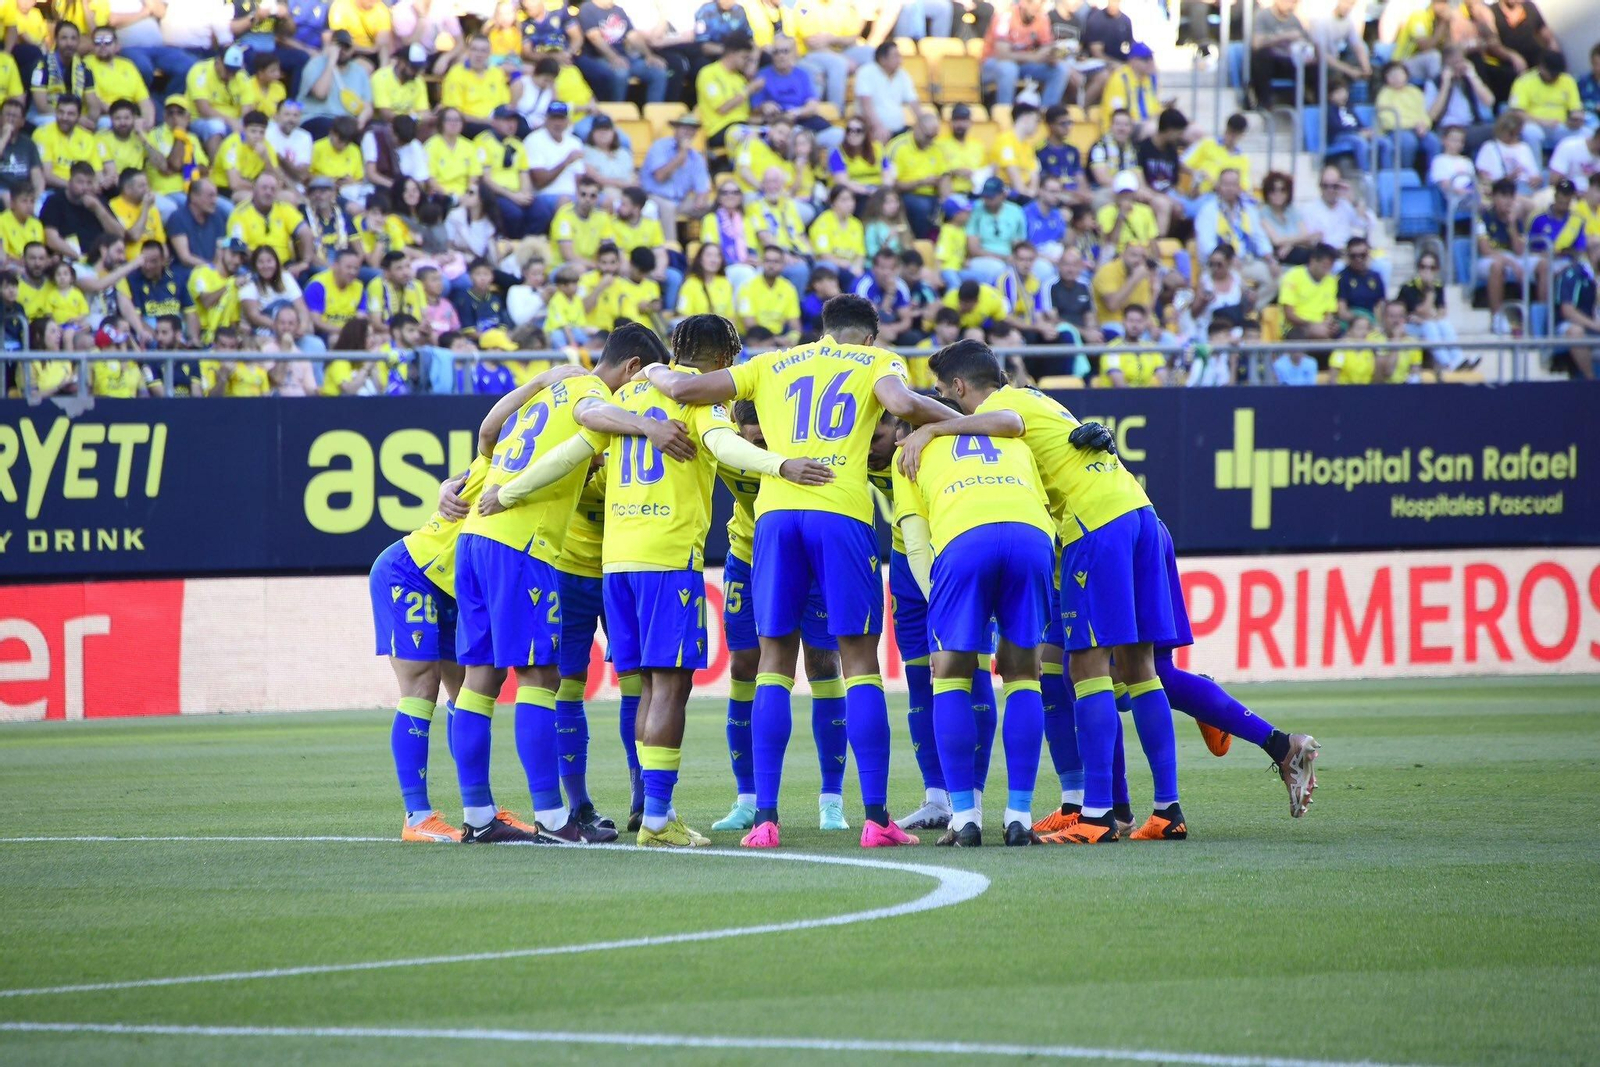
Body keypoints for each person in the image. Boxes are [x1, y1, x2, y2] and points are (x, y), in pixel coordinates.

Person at [494, 318, 831, 846]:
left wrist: (508, 492)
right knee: (669, 687)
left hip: (616, 564)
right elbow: (726, 446)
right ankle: (656, 817)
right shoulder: (700, 399)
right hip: (669, 558)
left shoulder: (627, 393)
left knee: (648, 688)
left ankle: (654, 812)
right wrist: (781, 465)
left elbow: (572, 453)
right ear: (722, 356)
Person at [644, 294, 956, 848]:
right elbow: (901, 404)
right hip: (839, 510)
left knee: (773, 663)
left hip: (776, 517)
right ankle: (876, 819)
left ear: (824, 329)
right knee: (858, 662)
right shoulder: (876, 362)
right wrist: (966, 423)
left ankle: (765, 819)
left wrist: (651, 368)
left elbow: (686, 389)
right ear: (869, 336)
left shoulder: (772, 362)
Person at [901, 344, 1185, 843]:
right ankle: (1165, 808)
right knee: (1140, 668)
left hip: (1092, 524)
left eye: (946, 394)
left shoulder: (996, 411)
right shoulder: (1040, 400)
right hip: (1140, 511)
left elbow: (1006, 422)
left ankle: (1097, 817)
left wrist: (931, 428)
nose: (946, 404)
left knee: (1087, 667)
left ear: (959, 388)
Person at [451, 326, 693, 844]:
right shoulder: (588, 389)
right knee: (539, 678)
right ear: (632, 368)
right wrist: (645, 427)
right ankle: (554, 819)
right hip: (524, 545)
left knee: (480, 682)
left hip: (475, 538)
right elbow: (591, 415)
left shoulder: (553, 385)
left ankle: (476, 816)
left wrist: (537, 383)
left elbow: (489, 427)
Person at [889, 363, 1053, 846]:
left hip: (965, 542)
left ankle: (964, 817)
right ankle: (1019, 814)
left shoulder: (911, 451)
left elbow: (917, 545)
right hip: (1030, 538)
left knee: (952, 673)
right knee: (1024, 674)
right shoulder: (1008, 435)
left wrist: (938, 601)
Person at [713, 398, 856, 832]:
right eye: (750, 437)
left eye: (764, 436)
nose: (757, 442)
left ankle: (831, 799)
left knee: (823, 662)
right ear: (738, 431)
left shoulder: (802, 448)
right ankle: (747, 798)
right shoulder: (725, 450)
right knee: (744, 666)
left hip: (807, 560)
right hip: (746, 555)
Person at [574, 0, 671, 103]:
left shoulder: (618, 10)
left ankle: (654, 113)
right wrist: (614, 58)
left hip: (624, 58)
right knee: (621, 74)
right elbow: (595, 38)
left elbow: (632, 35)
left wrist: (649, 56)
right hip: (598, 58)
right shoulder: (587, 8)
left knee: (658, 72)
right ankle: (616, 112)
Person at [640, 113, 712, 244]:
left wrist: (701, 199)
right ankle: (671, 248)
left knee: (715, 205)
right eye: (684, 128)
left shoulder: (696, 157)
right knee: (668, 207)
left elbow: (702, 186)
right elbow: (659, 176)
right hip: (654, 196)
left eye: (692, 129)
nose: (688, 132)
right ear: (676, 129)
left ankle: (709, 247)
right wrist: (681, 155)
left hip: (681, 200)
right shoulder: (660, 146)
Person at [983, 0, 1069, 107]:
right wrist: (1034, 57)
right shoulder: (1005, 17)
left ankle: (1047, 113)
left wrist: (1051, 57)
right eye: (1034, 3)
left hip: (1023, 65)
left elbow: (1046, 48)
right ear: (1023, 2)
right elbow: (1002, 54)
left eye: (1042, 3)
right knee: (1009, 68)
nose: (1038, 7)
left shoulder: (1041, 18)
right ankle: (1005, 112)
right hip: (993, 64)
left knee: (1060, 69)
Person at [299, 30, 374, 138]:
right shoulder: (315, 64)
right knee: (328, 126)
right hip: (318, 117)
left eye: (346, 47)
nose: (342, 51)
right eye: (339, 46)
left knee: (373, 131)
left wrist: (360, 121)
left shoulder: (359, 71)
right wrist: (331, 62)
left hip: (347, 122)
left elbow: (367, 106)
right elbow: (320, 94)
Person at [1507, 49, 1581, 159]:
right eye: (1552, 74)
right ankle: (1536, 172)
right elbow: (1517, 112)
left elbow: (1576, 109)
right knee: (1532, 133)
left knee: (1587, 133)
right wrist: (1543, 122)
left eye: (1557, 74)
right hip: (1534, 124)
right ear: (1541, 67)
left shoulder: (1567, 80)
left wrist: (1576, 119)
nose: (1555, 77)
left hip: (1561, 125)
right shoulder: (1524, 81)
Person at [1249, 0, 1314, 110]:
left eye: (1295, 3)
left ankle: (1312, 103)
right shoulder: (1263, 15)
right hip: (1271, 62)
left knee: (1314, 65)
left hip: (1290, 61)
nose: (1292, 5)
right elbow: (1257, 44)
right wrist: (1284, 36)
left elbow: (1307, 41)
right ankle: (1264, 102)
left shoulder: (1294, 19)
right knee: (1261, 56)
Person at [853, 41, 918, 144]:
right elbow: (866, 105)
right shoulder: (866, 72)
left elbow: (913, 102)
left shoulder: (903, 74)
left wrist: (923, 122)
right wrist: (877, 126)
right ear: (882, 59)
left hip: (899, 130)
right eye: (896, 57)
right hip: (872, 129)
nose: (900, 61)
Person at [1555, 238, 1600, 379]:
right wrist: (1595, 325)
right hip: (1571, 324)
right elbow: (1567, 310)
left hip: (1595, 323)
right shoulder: (1573, 274)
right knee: (1575, 332)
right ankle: (1590, 380)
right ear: (1591, 252)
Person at [304, 246, 368, 341]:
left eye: (356, 268)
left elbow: (361, 318)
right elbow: (316, 321)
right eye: (348, 267)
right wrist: (344, 331)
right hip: (324, 333)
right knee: (336, 338)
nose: (353, 272)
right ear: (335, 266)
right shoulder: (318, 285)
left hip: (350, 332)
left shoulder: (359, 286)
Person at [1278, 242, 1339, 340]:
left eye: (1330, 267)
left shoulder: (1331, 281)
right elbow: (1289, 314)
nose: (1327, 270)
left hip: (1320, 326)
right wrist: (1312, 324)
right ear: (1313, 260)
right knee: (1319, 334)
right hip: (1295, 327)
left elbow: (1329, 312)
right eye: (1325, 265)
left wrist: (1329, 324)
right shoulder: (1293, 276)